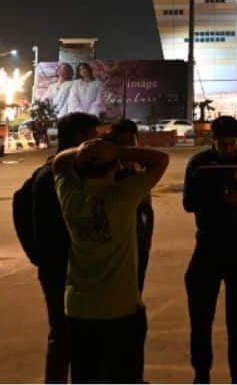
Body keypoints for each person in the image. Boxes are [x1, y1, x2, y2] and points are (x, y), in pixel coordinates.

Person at [53, 126, 169, 384]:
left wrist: (87, 151)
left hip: (79, 308)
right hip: (120, 308)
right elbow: (160, 159)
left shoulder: (71, 197)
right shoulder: (123, 195)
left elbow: (59, 162)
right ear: (116, 166)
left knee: (85, 375)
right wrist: (117, 150)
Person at [28, 112, 101, 384]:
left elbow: (19, 207)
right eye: (95, 136)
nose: (99, 141)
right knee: (72, 336)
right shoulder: (62, 176)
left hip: (55, 268)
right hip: (67, 270)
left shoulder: (45, 171)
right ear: (81, 138)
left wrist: (36, 256)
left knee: (62, 336)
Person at [183, 116, 237, 383]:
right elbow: (188, 203)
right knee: (201, 318)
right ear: (212, 140)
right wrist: (217, 199)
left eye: (231, 143)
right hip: (208, 245)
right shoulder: (199, 164)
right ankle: (202, 374)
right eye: (222, 144)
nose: (227, 148)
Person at [108, 119, 155, 293]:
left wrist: (147, 239)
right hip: (117, 243)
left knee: (136, 285)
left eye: (131, 142)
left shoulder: (137, 168)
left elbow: (147, 209)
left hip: (139, 237)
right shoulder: (106, 171)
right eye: (122, 143)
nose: (128, 148)